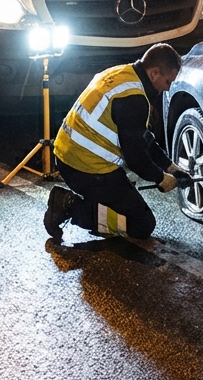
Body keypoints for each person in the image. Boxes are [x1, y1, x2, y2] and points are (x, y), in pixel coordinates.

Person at [44, 42, 185, 242]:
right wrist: (161, 178)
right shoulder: (133, 99)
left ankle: (96, 202)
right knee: (142, 224)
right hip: (87, 170)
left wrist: (170, 167)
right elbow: (136, 158)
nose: (167, 88)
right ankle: (69, 207)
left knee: (124, 196)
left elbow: (143, 137)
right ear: (154, 73)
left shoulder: (123, 74)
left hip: (68, 157)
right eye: (168, 81)